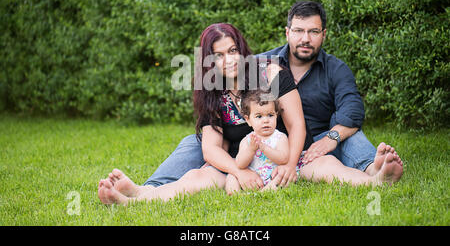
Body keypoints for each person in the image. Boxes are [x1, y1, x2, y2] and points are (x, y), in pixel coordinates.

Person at [98, 23, 403, 205]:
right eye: (218, 55)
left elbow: (297, 124)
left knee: (324, 165)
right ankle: (137, 196)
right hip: (241, 159)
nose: (228, 60)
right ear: (208, 61)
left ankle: (374, 181)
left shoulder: (269, 72)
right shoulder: (210, 90)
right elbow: (210, 147)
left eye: (232, 51)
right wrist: (237, 171)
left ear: (241, 50)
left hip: (285, 153)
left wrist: (288, 163)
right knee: (198, 175)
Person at [225, 89, 304, 194]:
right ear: (248, 120)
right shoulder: (247, 140)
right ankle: (235, 195)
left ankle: (268, 190)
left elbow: (283, 159)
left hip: (273, 172)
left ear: (276, 115)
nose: (266, 120)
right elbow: (240, 164)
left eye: (270, 115)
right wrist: (251, 150)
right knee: (231, 176)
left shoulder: (280, 137)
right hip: (253, 175)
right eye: (259, 116)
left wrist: (264, 148)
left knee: (280, 176)